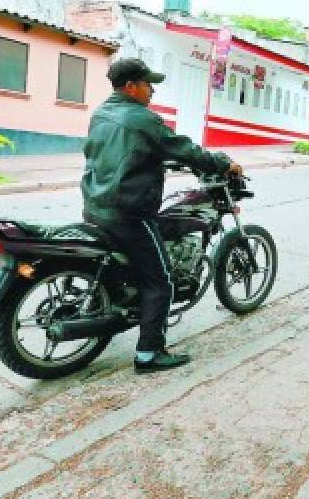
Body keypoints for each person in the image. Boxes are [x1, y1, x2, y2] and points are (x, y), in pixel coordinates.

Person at [82, 58, 240, 374]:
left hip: (95, 207)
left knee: (135, 265)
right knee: (161, 281)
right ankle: (149, 354)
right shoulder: (143, 119)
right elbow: (184, 149)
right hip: (128, 213)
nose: (152, 89)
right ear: (130, 87)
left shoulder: (101, 113)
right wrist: (222, 162)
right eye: (147, 83)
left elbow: (118, 154)